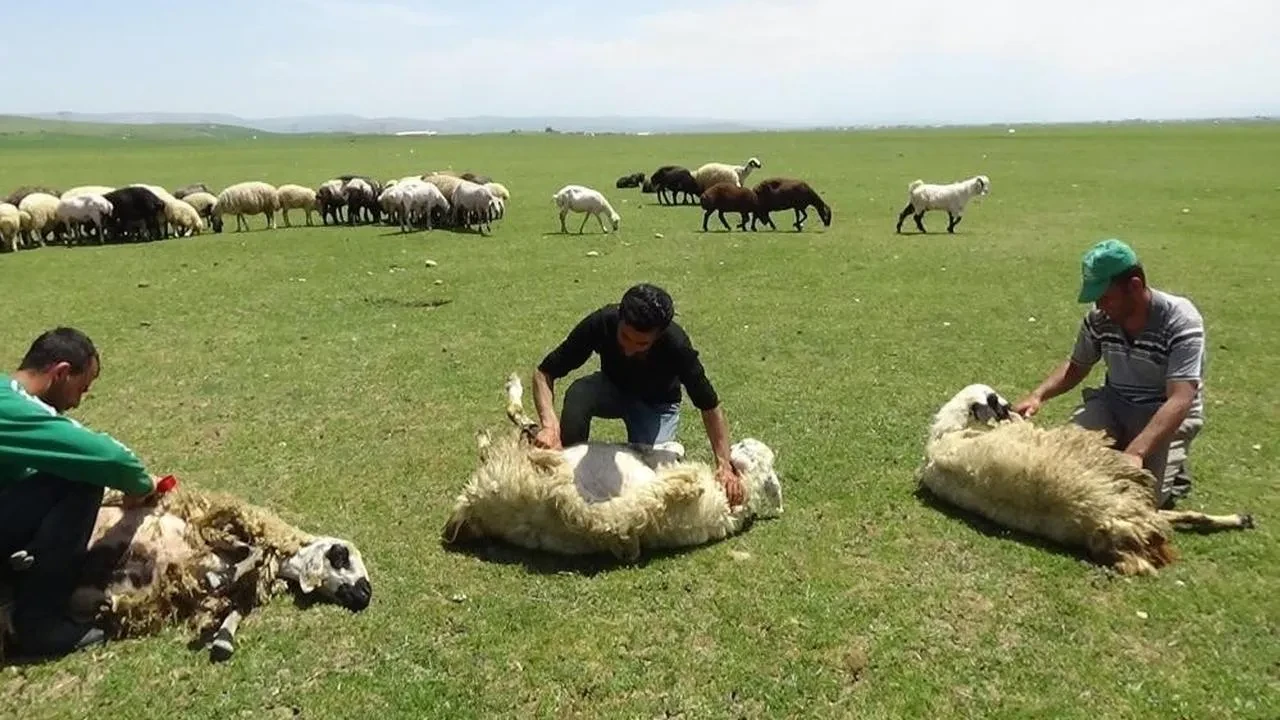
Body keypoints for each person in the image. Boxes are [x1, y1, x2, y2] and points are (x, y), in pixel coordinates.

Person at [0, 327, 159, 658]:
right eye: (81, 388)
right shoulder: (13, 408)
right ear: (60, 373)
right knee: (81, 478)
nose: (78, 400)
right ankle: (40, 626)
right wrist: (142, 485)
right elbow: (109, 457)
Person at [1013, 239, 1206, 509]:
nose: (1100, 305)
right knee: (1062, 464)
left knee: (1137, 501)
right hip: (1114, 405)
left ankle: (1167, 463)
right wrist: (1038, 395)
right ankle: (1130, 446)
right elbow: (1077, 365)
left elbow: (1180, 399)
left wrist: (1137, 452)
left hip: (1161, 412)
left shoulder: (1181, 321)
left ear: (1135, 286)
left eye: (1105, 296)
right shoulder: (1100, 318)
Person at [531, 283, 745, 506]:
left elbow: (709, 406)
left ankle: (665, 452)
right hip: (612, 389)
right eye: (624, 337)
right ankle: (565, 463)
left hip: (657, 406)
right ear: (620, 318)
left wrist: (724, 464)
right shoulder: (602, 322)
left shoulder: (676, 344)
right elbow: (544, 373)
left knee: (651, 474)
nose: (630, 348)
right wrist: (549, 425)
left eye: (642, 343)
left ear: (659, 335)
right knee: (579, 393)